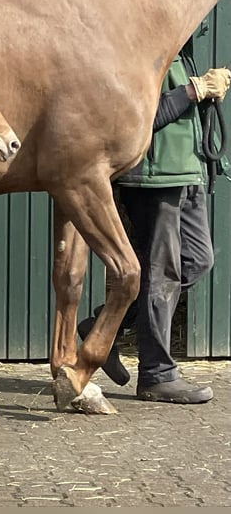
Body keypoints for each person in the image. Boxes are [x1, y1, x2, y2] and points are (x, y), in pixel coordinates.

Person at [79, 38, 231, 404]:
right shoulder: (141, 51)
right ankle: (157, 374)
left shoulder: (183, 54)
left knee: (196, 260)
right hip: (154, 178)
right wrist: (193, 91)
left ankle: (103, 327)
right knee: (161, 273)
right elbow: (137, 120)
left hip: (185, 173)